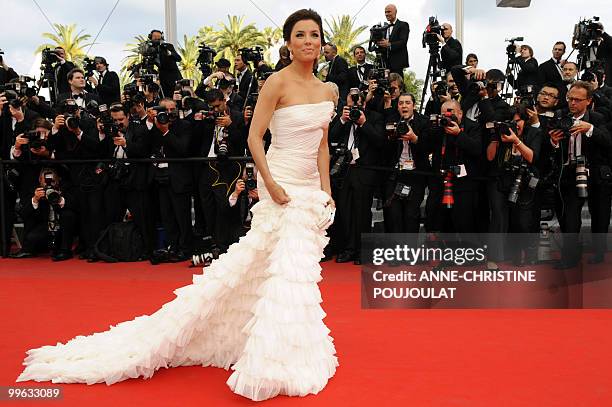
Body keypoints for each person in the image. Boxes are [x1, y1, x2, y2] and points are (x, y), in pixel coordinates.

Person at [17, 8, 338, 402]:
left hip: (310, 190)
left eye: (315, 35)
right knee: (284, 269)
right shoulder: (276, 82)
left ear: (322, 42)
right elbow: (255, 139)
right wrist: (269, 183)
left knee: (289, 268)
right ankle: (274, 359)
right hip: (281, 183)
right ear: (288, 42)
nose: (309, 41)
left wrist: (327, 190)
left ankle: (284, 344)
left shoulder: (328, 90)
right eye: (301, 34)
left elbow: (322, 146)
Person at [378, 4, 410, 76]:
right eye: (385, 12)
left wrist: (389, 44)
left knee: (397, 85)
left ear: (395, 12)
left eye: (389, 12)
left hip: (397, 63)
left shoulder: (403, 25)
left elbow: (403, 42)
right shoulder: (384, 27)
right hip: (384, 64)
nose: (386, 14)